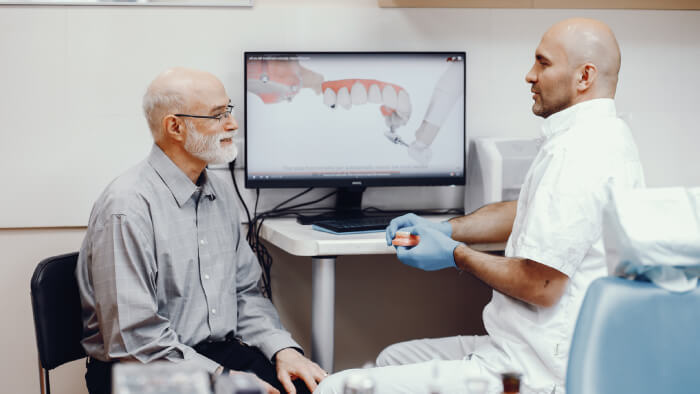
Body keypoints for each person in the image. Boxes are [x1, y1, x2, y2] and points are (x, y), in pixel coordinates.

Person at [315, 17, 645, 394]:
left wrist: (457, 255)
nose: (529, 75)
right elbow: (527, 211)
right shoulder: (599, 134)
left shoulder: (579, 153)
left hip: (538, 371)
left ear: (584, 77)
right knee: (392, 358)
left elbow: (543, 284)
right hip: (520, 347)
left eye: (543, 63)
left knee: (337, 389)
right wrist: (446, 229)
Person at [75, 67, 327, 394]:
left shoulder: (219, 194)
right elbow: (134, 342)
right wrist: (221, 379)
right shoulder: (127, 207)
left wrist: (282, 349)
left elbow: (245, 295)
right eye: (217, 115)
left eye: (229, 111)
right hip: (141, 368)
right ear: (175, 127)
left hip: (213, 355)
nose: (233, 124)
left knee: (308, 388)